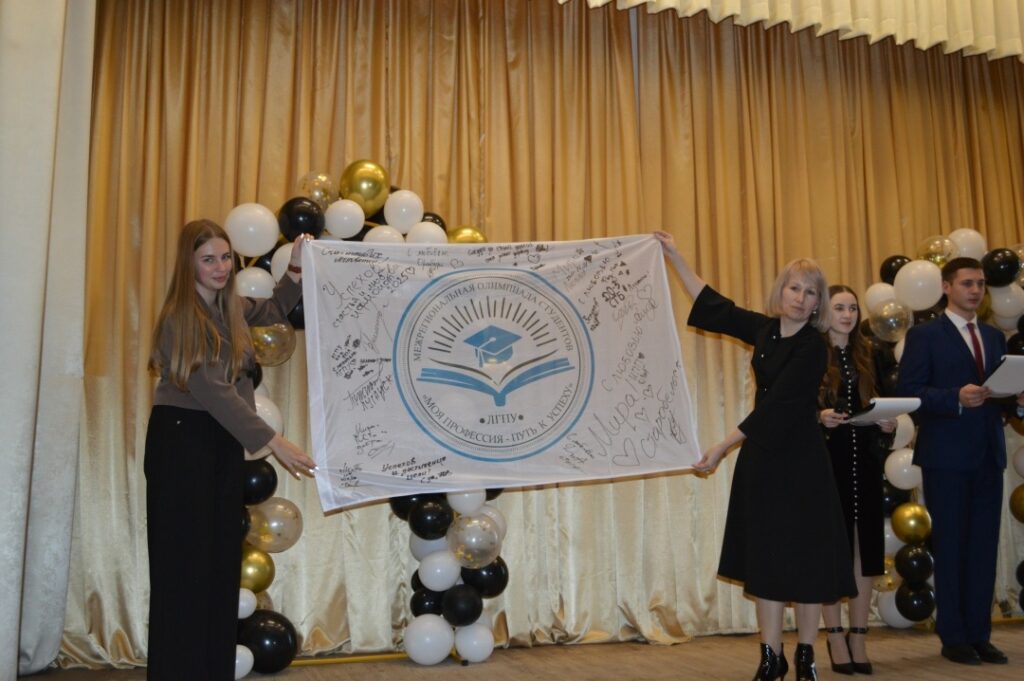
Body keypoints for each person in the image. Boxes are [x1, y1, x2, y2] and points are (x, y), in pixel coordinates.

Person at [656, 231, 856, 681]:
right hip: (764, 462)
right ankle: (771, 657)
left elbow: (778, 406)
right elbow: (715, 305)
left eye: (811, 292)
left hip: (803, 463)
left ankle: (805, 656)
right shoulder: (765, 329)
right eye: (794, 288)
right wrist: (675, 257)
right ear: (781, 291)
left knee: (807, 562)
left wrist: (722, 446)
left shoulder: (813, 346)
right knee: (766, 560)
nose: (800, 298)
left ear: (818, 303)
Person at [145, 219, 317, 680]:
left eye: (225, 258)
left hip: (219, 441)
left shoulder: (231, 308)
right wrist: (274, 441)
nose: (220, 267)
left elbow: (275, 307)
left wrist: (295, 268)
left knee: (219, 564)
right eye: (208, 260)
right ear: (189, 265)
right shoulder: (180, 318)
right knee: (185, 568)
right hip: (182, 443)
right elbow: (214, 391)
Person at [897, 257, 1022, 666]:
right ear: (947, 287)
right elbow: (911, 391)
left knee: (983, 548)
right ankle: (953, 637)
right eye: (967, 283)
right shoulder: (925, 336)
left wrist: (1016, 400)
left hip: (988, 454)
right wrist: (954, 397)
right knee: (951, 547)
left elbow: (997, 396)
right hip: (946, 457)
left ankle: (979, 635)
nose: (976, 290)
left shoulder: (994, 336)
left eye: (981, 283)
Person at [817, 285, 896, 675]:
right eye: (839, 308)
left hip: (864, 462)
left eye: (852, 308)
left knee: (864, 552)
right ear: (824, 312)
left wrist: (888, 423)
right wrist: (819, 417)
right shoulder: (812, 354)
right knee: (834, 552)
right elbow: (793, 409)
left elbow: (886, 401)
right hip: (826, 463)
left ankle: (859, 636)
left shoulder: (871, 353)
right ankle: (834, 636)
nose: (847, 315)